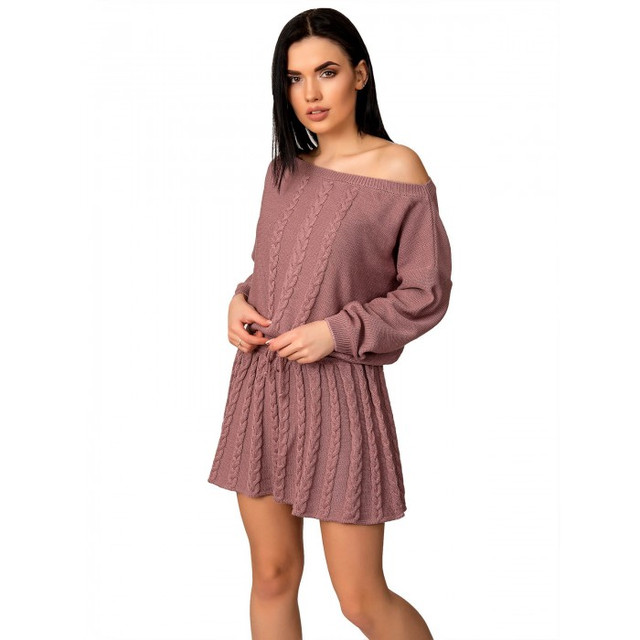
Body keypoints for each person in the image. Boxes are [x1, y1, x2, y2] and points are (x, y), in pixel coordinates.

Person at [207, 8, 452, 639]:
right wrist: (238, 300)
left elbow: (426, 293)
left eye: (327, 72)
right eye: (294, 79)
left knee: (361, 599)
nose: (310, 93)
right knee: (271, 577)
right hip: (263, 389)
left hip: (341, 394)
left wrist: (336, 333)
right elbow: (270, 269)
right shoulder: (283, 171)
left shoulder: (399, 169)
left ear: (360, 75)